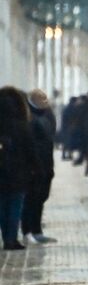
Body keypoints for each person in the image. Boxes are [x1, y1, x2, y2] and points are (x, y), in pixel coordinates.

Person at [0, 87, 40, 250]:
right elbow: (31, 150)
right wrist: (38, 169)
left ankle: (6, 238)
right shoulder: (22, 126)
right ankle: (11, 239)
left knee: (2, 206)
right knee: (15, 206)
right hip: (18, 173)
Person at [21, 89, 58, 245]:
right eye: (41, 98)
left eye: (45, 98)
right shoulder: (30, 117)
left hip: (46, 164)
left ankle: (37, 230)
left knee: (41, 197)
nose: (45, 101)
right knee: (31, 199)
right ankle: (28, 231)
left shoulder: (46, 115)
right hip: (35, 166)